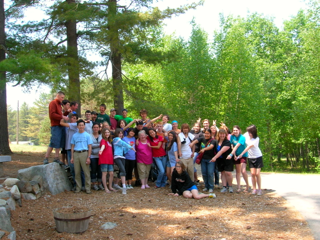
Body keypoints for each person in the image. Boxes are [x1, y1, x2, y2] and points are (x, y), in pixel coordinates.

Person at [60, 114, 85, 190]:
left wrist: (63, 116)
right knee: (72, 168)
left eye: (74, 118)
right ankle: (76, 185)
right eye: (71, 118)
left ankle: (82, 185)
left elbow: (61, 123)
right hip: (68, 148)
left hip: (75, 149)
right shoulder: (69, 127)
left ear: (76, 120)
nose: (72, 119)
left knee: (79, 168)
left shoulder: (74, 125)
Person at [43, 91, 69, 165]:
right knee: (54, 141)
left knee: (59, 142)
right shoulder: (53, 103)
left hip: (61, 125)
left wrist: (66, 113)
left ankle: (56, 157)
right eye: (62, 97)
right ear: (57, 96)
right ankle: (46, 157)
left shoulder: (59, 105)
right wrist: (62, 116)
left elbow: (61, 115)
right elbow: (52, 115)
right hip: (55, 125)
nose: (62, 99)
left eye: (63, 98)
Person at [237, 125, 263, 195]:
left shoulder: (256, 139)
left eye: (250, 132)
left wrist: (241, 154)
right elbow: (240, 135)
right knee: (252, 174)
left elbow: (248, 147)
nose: (249, 133)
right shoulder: (247, 135)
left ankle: (259, 189)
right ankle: (254, 189)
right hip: (251, 157)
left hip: (258, 157)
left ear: (253, 132)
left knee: (257, 174)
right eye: (248, 132)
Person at [190, 128, 217, 193]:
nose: (206, 135)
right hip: (203, 159)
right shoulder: (202, 138)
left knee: (210, 173)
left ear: (210, 134)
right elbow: (196, 140)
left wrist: (204, 149)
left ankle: (211, 187)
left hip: (211, 159)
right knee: (204, 173)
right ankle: (206, 186)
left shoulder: (213, 140)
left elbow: (211, 146)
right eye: (205, 133)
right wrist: (192, 143)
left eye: (208, 133)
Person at [70, 119, 93, 194]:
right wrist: (72, 157)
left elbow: (90, 147)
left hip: (84, 153)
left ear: (84, 126)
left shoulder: (87, 135)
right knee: (77, 172)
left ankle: (88, 188)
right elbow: (72, 147)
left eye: (82, 125)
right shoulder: (74, 135)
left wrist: (88, 157)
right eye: (79, 125)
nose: (81, 126)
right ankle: (78, 187)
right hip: (76, 153)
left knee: (86, 172)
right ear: (77, 126)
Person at [113, 128, 136, 194]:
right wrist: (130, 146)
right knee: (123, 170)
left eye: (121, 133)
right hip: (117, 156)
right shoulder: (116, 140)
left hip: (122, 157)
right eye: (119, 133)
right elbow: (123, 143)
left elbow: (124, 150)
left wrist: (129, 147)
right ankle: (124, 187)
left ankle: (116, 184)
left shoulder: (121, 141)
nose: (120, 134)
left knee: (121, 170)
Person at [227, 125, 250, 193]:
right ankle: (238, 187)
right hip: (236, 155)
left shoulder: (242, 137)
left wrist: (231, 154)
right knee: (237, 171)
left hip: (242, 155)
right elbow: (232, 146)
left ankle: (247, 185)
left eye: (236, 130)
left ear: (239, 130)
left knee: (243, 171)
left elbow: (237, 146)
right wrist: (234, 155)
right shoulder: (232, 137)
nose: (235, 131)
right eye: (234, 130)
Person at [211, 129, 232, 193]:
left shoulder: (227, 142)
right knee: (222, 173)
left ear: (225, 134)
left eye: (223, 134)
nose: (222, 135)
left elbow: (222, 151)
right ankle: (224, 186)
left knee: (228, 173)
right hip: (220, 160)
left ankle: (230, 186)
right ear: (218, 134)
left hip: (227, 159)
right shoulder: (216, 141)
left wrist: (214, 158)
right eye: (220, 134)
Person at [99, 128, 116, 193]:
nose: (107, 134)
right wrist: (101, 150)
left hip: (110, 159)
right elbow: (103, 146)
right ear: (103, 133)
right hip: (104, 159)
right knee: (104, 173)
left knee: (111, 173)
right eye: (105, 132)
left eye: (108, 132)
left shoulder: (110, 141)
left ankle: (110, 186)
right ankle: (105, 188)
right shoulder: (103, 140)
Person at [90, 123, 103, 191]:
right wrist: (99, 145)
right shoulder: (90, 136)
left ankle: (100, 183)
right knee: (93, 170)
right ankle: (94, 184)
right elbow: (90, 145)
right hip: (92, 155)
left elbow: (103, 144)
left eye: (97, 127)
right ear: (92, 128)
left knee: (100, 170)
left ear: (99, 128)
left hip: (100, 156)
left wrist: (95, 145)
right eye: (94, 127)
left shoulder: (101, 136)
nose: (96, 129)